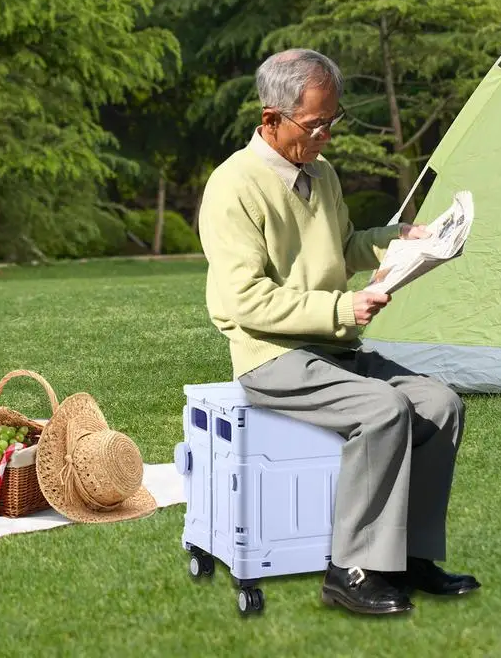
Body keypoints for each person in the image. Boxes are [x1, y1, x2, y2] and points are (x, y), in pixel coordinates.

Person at [198, 48, 480, 616]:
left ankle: (410, 558)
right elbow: (244, 300)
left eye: (334, 120)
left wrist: (400, 239)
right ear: (270, 119)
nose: (327, 134)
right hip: (271, 357)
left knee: (441, 402)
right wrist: (343, 309)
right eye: (315, 123)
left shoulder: (321, 174)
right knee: (382, 409)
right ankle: (349, 570)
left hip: (333, 351)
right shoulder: (232, 187)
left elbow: (343, 245)